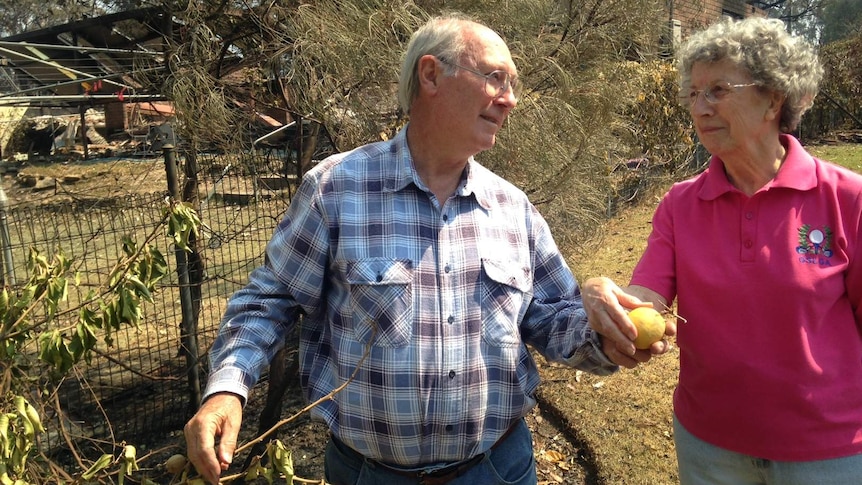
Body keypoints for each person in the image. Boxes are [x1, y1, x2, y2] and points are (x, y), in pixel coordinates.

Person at [184, 14, 648, 485]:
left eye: (513, 84)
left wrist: (603, 334)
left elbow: (551, 318)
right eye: (495, 77)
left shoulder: (513, 208)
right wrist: (227, 389)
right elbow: (271, 300)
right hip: (369, 475)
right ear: (431, 75)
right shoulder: (335, 190)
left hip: (497, 468)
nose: (510, 99)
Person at [583, 16, 862, 484]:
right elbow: (647, 295)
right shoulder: (680, 203)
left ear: (773, 98)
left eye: (718, 90)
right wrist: (604, 295)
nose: (700, 107)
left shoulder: (846, 198)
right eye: (693, 93)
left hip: (827, 450)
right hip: (708, 445)